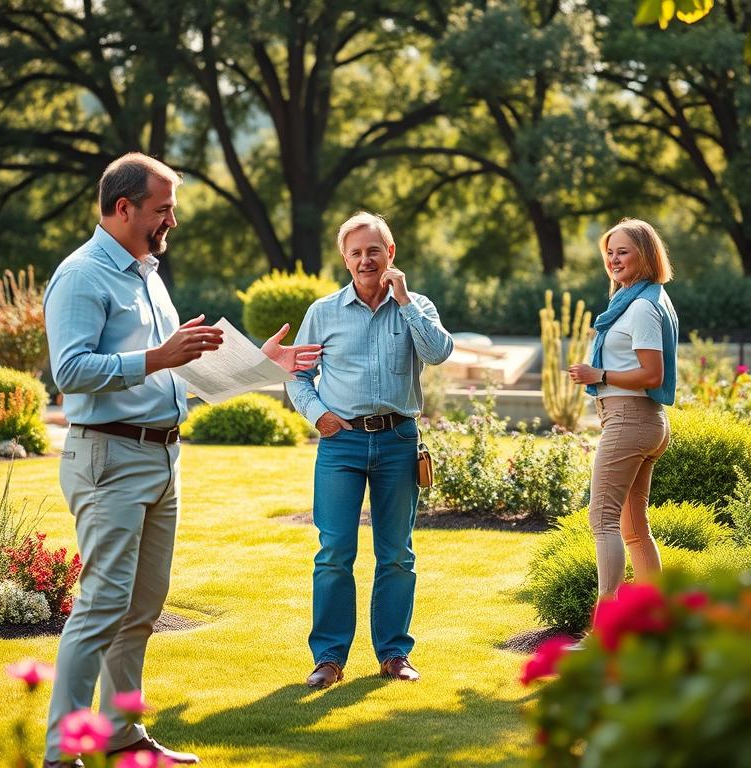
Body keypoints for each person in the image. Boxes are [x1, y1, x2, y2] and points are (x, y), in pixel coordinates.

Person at [42, 152, 321, 767]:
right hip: (108, 457)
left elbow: (174, 374)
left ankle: (121, 734)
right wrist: (156, 358)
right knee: (99, 609)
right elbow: (70, 371)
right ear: (124, 208)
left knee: (141, 608)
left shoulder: (147, 272)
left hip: (161, 458)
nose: (172, 220)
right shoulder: (82, 275)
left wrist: (257, 366)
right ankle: (62, 754)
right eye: (162, 209)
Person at [286, 211, 454, 689]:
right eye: (356, 252)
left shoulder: (416, 305)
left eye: (373, 251)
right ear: (345, 259)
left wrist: (405, 303)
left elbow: (439, 353)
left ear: (390, 254)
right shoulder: (323, 312)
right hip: (341, 443)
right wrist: (317, 414)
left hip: (400, 441)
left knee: (397, 554)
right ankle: (329, 658)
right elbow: (297, 377)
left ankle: (395, 654)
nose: (365, 259)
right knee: (334, 551)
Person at [568, 218, 678, 603]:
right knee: (633, 529)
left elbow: (653, 373)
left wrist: (599, 373)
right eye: (609, 253)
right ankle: (653, 620)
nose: (613, 260)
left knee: (602, 520)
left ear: (645, 254)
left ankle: (605, 631)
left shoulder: (643, 307)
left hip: (631, 418)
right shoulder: (637, 298)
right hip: (641, 421)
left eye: (623, 252)